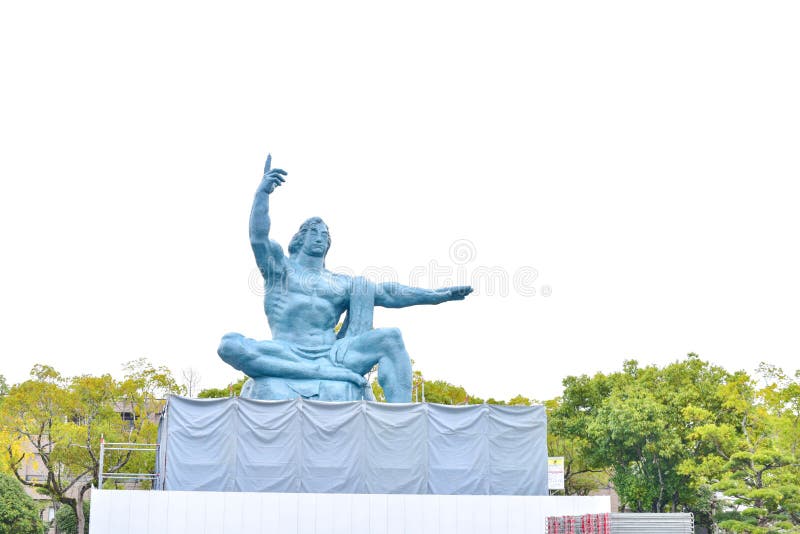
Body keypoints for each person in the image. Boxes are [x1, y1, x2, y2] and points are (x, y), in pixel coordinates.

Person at [218, 155, 473, 402]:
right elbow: (258, 238)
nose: (320, 237)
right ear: (300, 238)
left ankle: (401, 417)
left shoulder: (339, 283)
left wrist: (436, 296)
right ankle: (318, 373)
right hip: (286, 351)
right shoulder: (280, 269)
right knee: (229, 344)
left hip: (333, 356)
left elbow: (388, 293)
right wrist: (262, 194)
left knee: (391, 337)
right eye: (314, 232)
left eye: (325, 234)